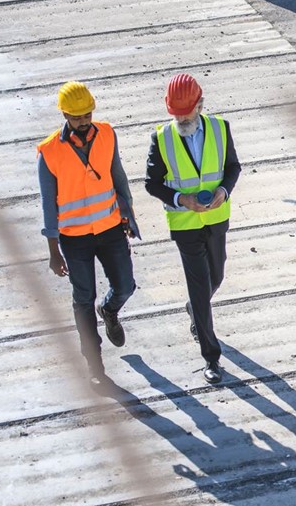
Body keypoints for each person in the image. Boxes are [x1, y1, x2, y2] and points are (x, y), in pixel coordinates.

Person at [38, 81, 140, 388]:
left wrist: (128, 216)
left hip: (110, 228)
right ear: (65, 115)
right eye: (77, 116)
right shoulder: (49, 152)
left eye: (87, 114)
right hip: (74, 238)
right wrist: (53, 250)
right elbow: (47, 202)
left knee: (125, 285)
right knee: (83, 299)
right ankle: (93, 363)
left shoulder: (107, 134)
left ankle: (109, 310)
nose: (83, 121)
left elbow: (118, 176)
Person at [144, 73, 241, 385]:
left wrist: (223, 192)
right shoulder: (162, 138)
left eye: (187, 112)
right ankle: (211, 357)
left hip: (216, 218)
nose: (181, 118)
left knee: (218, 276)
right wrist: (179, 198)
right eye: (176, 113)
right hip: (185, 225)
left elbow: (232, 168)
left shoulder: (220, 129)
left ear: (201, 104)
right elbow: (151, 183)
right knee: (200, 290)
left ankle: (194, 309)